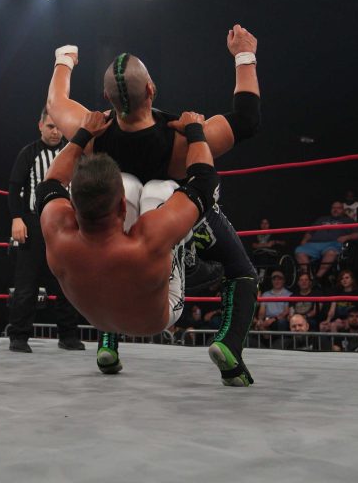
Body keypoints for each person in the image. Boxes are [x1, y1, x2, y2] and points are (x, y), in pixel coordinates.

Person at [46, 25, 261, 382]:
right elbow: (247, 121)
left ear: (107, 96)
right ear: (150, 89)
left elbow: (56, 103)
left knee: (109, 248)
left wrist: (64, 59)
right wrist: (244, 54)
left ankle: (108, 342)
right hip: (175, 219)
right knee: (241, 270)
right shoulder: (181, 136)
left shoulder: (93, 133)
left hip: (117, 226)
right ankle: (229, 347)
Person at [6, 108, 85, 353]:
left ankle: (68, 336)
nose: (55, 131)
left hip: (65, 224)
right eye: (50, 126)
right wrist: (17, 218)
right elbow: (14, 188)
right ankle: (19, 337)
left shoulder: (72, 153)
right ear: (40, 125)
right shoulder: (29, 153)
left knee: (66, 283)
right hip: (33, 223)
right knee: (26, 282)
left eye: (59, 127)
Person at [294, 201, 358, 281]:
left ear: (343, 210)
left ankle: (317, 278)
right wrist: (304, 240)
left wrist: (347, 237)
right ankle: (309, 276)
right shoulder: (322, 219)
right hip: (314, 244)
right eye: (333, 208)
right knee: (299, 250)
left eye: (338, 208)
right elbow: (310, 232)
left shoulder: (348, 220)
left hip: (333, 244)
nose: (335, 210)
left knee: (331, 253)